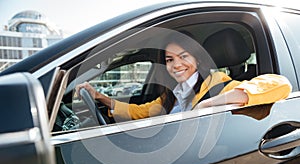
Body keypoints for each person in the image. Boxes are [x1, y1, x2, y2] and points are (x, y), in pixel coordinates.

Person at [76, 31, 292, 121]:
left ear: (197, 59)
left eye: (183, 56)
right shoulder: (173, 93)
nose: (176, 64)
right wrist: (98, 96)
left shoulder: (216, 84)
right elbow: (138, 111)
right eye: (170, 60)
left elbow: (280, 84)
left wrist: (207, 105)